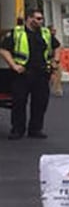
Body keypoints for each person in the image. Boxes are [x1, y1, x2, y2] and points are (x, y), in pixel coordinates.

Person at [0, 8, 61, 140]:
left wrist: (55, 61)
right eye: (38, 18)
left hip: (41, 73)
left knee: (40, 103)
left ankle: (35, 129)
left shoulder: (45, 33)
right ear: (29, 18)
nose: (41, 21)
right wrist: (13, 65)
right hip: (22, 74)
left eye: (41, 19)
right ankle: (17, 130)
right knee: (19, 103)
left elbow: (56, 47)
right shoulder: (17, 33)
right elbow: (4, 50)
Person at [48, 26, 64, 97]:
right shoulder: (48, 38)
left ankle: (58, 89)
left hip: (53, 59)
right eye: (53, 30)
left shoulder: (54, 39)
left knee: (58, 73)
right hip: (47, 59)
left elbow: (58, 47)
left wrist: (56, 60)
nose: (55, 32)